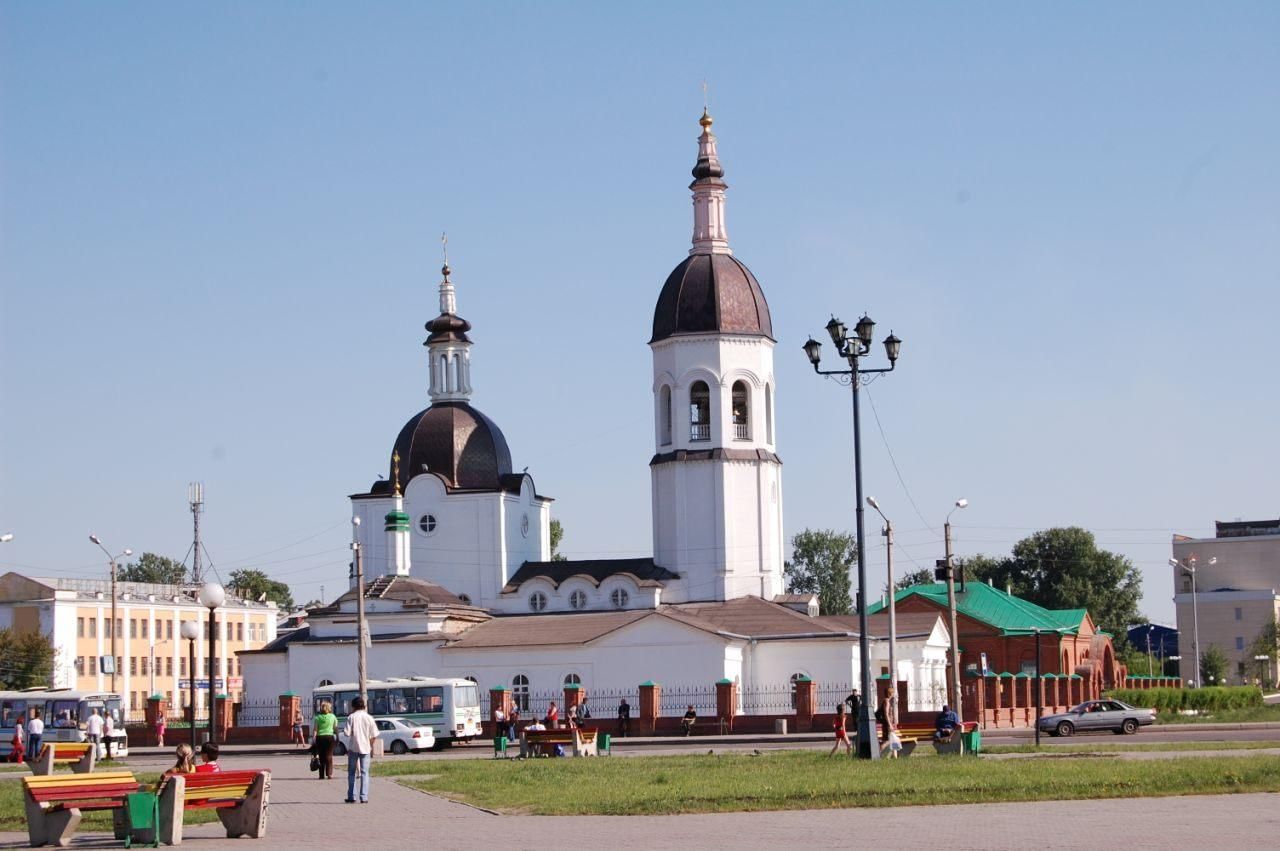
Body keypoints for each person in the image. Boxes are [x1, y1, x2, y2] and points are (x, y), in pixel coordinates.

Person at [342, 695, 379, 804]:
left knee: (352, 773)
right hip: (366, 748)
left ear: (353, 706)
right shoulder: (369, 717)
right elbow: (375, 734)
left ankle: (351, 796)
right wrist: (370, 744)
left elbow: (346, 733)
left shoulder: (351, 717)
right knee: (365, 773)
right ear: (364, 706)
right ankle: (364, 797)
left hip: (353, 747)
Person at [312, 700, 337, 780]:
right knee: (329, 756)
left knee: (321, 757)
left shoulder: (317, 717)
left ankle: (321, 775)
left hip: (320, 738)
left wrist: (314, 738)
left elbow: (315, 729)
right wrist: (338, 737)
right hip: (329, 737)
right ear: (329, 708)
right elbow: (335, 728)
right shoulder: (333, 716)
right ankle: (329, 774)